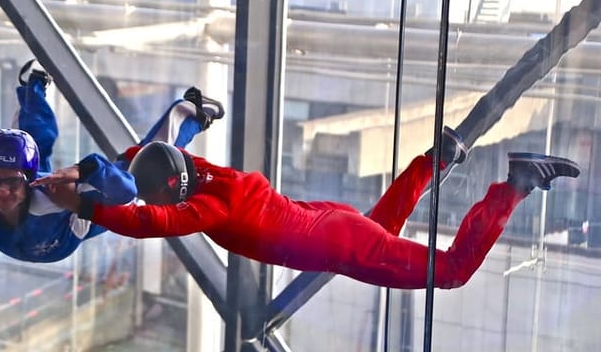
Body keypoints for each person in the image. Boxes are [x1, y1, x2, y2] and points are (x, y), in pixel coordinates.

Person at [33, 129, 580, 289]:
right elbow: (141, 157)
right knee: (378, 230)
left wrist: (90, 205)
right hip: (328, 220)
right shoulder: (207, 172)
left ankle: (516, 183)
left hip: (333, 241)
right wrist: (82, 173)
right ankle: (437, 159)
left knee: (453, 273)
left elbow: (151, 221)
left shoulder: (206, 208)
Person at [0, 59, 223, 263]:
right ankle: (32, 87)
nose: (1, 192)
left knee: (144, 172)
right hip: (39, 234)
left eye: (13, 182)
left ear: (29, 180)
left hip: (70, 229)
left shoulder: (57, 194)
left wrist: (83, 170)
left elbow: (125, 188)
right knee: (34, 137)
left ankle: (190, 113)